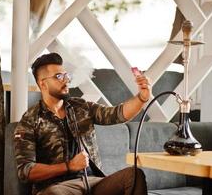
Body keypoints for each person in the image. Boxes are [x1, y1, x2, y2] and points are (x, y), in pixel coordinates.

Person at [14, 52, 151, 195]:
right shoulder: (30, 120)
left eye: (66, 75)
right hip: (58, 187)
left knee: (134, 176)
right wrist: (68, 166)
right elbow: (26, 171)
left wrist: (141, 97)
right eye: (59, 77)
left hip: (92, 182)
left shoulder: (81, 107)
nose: (66, 80)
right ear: (43, 83)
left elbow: (118, 114)